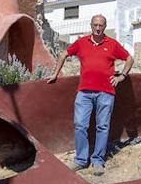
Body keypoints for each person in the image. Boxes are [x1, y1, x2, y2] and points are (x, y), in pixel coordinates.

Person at [47, 14, 134, 175]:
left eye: (101, 25)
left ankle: (98, 161)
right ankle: (80, 160)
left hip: (106, 92)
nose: (98, 28)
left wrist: (121, 76)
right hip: (84, 92)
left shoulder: (112, 44)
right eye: (95, 25)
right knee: (80, 125)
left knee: (102, 126)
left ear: (105, 26)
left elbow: (129, 59)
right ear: (91, 26)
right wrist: (55, 74)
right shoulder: (81, 42)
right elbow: (63, 54)